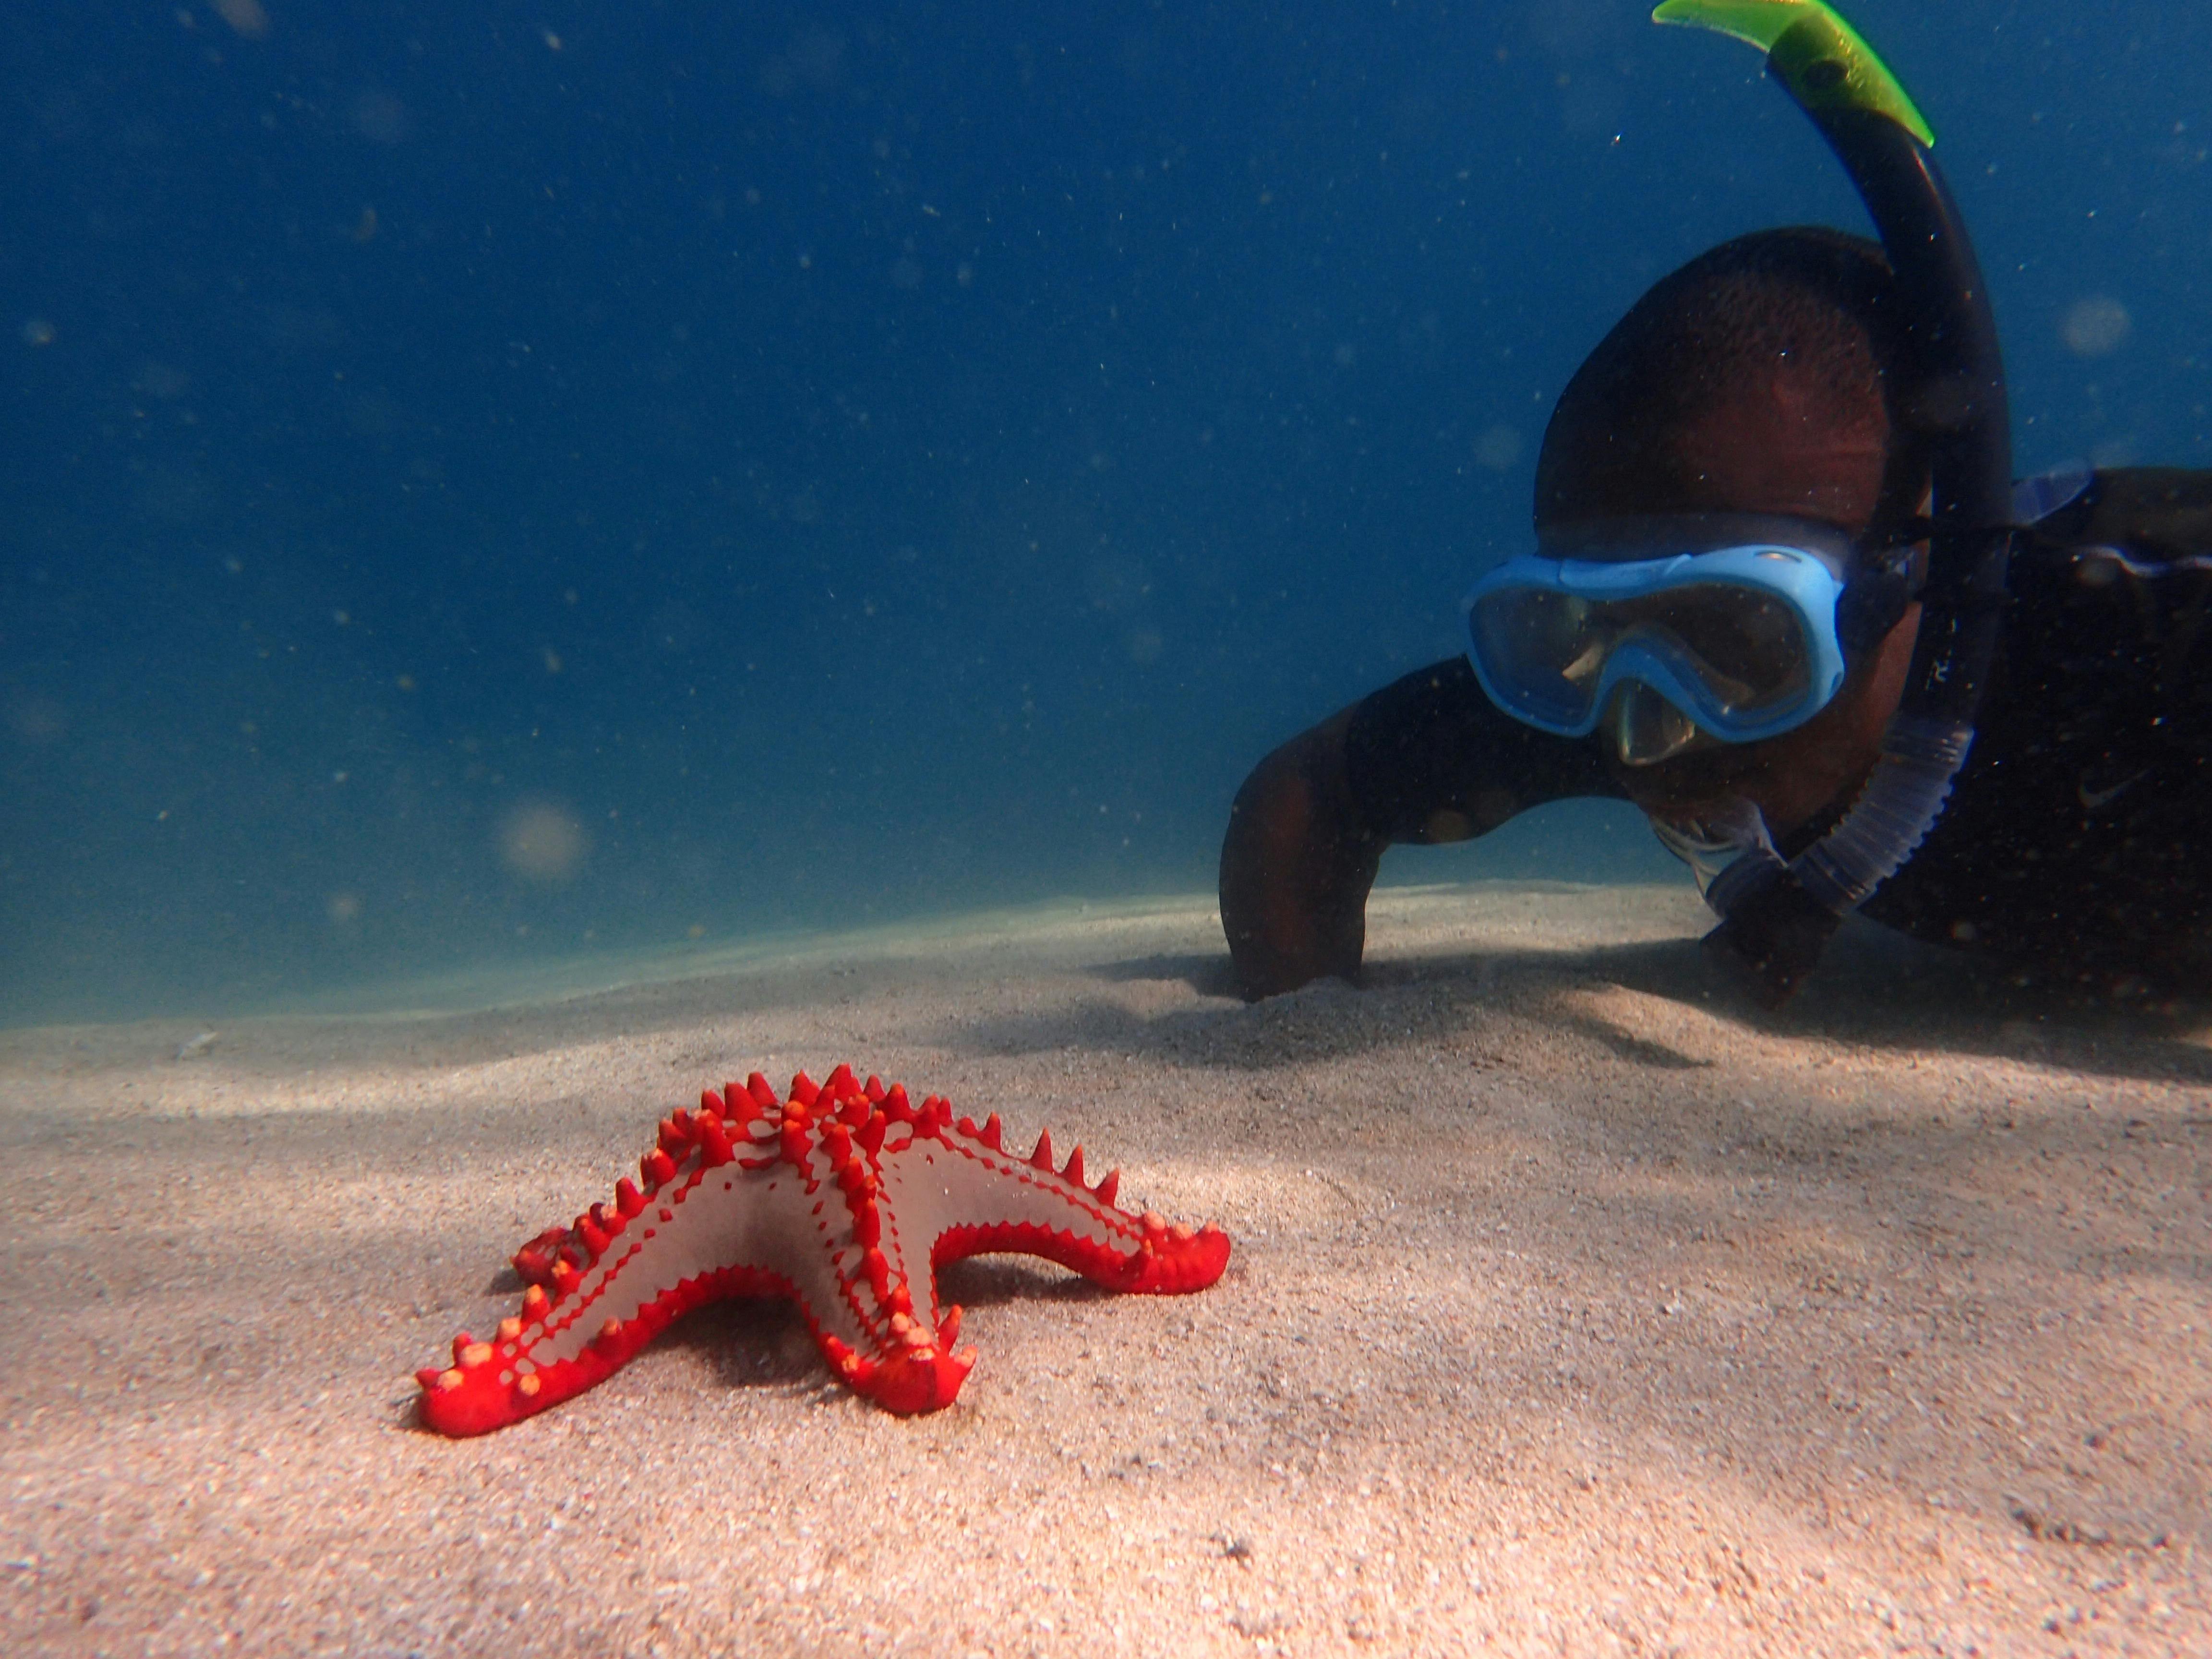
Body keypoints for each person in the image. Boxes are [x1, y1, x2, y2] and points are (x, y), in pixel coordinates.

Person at [1220, 0, 2212, 1007]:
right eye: (1582, 627)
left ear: (1927, 570)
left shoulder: (2157, 641)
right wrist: (1286, 1038)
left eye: (1744, 625)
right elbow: (1311, 793)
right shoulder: (1632, 694)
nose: (1653, 735)